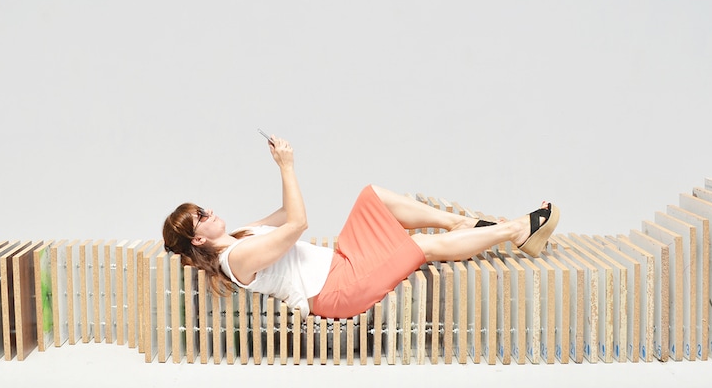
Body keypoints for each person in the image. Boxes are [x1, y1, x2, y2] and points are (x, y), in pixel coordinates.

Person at [162, 136, 559, 319]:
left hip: (342, 263)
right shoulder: (238, 258)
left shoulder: (243, 235)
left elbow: (284, 211)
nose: (209, 211)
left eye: (202, 208)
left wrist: (279, 165)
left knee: (371, 196)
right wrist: (287, 167)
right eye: (201, 216)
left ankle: (462, 224)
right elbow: (299, 222)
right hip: (337, 292)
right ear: (197, 238)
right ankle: (516, 231)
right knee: (422, 246)